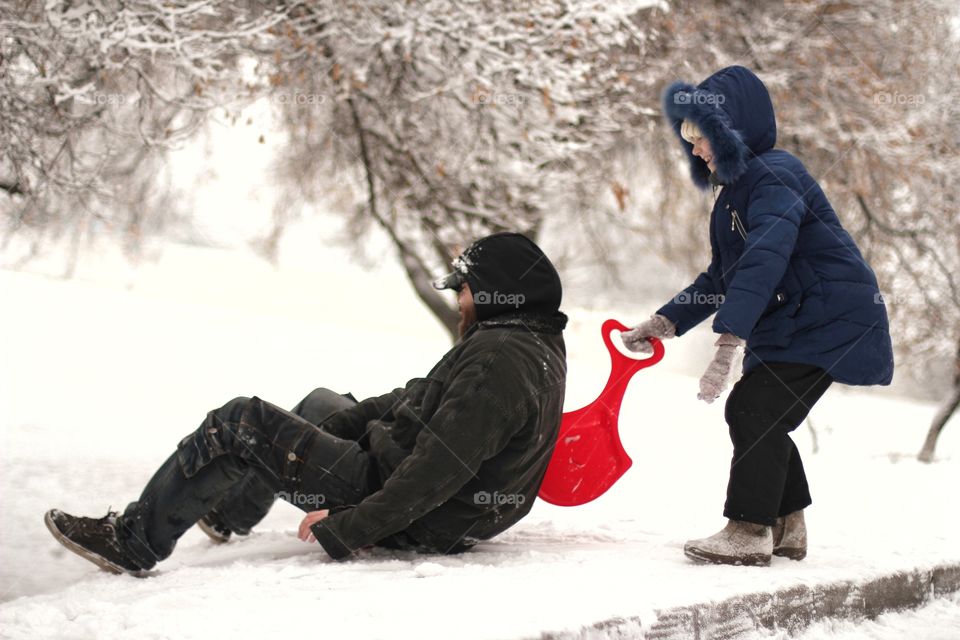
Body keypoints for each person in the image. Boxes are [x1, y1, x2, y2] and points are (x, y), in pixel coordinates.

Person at [45, 232, 568, 574]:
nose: (459, 299)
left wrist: (348, 529)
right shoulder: (525, 340)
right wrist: (333, 428)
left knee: (239, 421)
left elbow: (441, 469)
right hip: (417, 488)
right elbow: (417, 398)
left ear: (498, 292)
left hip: (419, 512)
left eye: (465, 289)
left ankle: (134, 541)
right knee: (321, 405)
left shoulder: (499, 357)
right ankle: (229, 515)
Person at [622, 66, 894, 566]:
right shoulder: (739, 189)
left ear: (730, 131)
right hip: (800, 320)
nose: (694, 146)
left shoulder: (774, 174)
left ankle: (750, 529)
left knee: (754, 408)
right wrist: (664, 322)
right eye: (687, 135)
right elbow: (724, 277)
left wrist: (728, 344)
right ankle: (786, 527)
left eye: (700, 134)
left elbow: (764, 258)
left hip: (830, 319)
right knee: (758, 411)